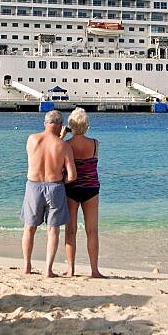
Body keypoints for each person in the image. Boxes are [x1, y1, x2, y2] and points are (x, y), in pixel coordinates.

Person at [21, 110, 77, 277]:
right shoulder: (64, 146)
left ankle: (27, 266)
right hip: (55, 186)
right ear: (60, 125)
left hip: (33, 186)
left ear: (45, 123)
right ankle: (48, 270)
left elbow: (44, 149)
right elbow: (72, 175)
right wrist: (61, 182)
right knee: (53, 230)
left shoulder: (32, 139)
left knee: (29, 228)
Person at [63, 107, 105, 278]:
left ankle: (71, 270)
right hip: (91, 189)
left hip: (71, 188)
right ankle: (94, 270)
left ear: (71, 125)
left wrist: (62, 135)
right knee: (92, 231)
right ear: (86, 125)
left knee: (70, 230)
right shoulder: (95, 144)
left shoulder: (66, 145)